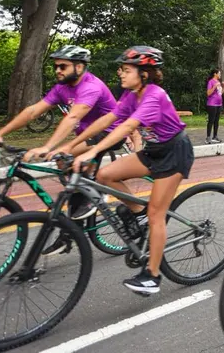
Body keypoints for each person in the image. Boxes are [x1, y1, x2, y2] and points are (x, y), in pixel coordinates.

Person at [55, 46, 194, 295]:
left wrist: (92, 152)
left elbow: (127, 127)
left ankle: (152, 276)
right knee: (105, 175)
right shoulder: (132, 95)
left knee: (157, 215)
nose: (120, 73)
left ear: (144, 74)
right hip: (153, 150)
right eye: (121, 69)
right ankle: (139, 214)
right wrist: (73, 145)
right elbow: (107, 120)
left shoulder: (153, 95)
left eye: (126, 70)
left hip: (174, 153)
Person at [0, 45, 123, 225]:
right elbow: (33, 111)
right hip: (87, 135)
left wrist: (47, 147)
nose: (57, 70)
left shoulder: (91, 87)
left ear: (79, 67)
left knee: (67, 155)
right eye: (55, 66)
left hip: (110, 133)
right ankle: (80, 208)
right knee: (64, 162)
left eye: (63, 66)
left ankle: (95, 194)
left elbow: (73, 117)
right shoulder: (62, 88)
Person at [205, 69, 224, 144]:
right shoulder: (211, 82)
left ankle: (215, 136)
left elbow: (220, 93)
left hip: (219, 104)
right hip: (212, 104)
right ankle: (208, 137)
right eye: (219, 73)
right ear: (215, 74)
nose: (220, 75)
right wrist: (214, 86)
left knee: (216, 121)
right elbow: (208, 93)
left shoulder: (218, 82)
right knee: (211, 121)